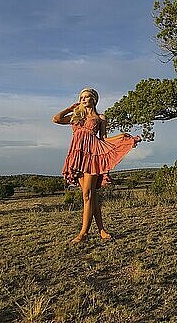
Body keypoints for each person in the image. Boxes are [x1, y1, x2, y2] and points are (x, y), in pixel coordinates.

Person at [52, 87, 141, 243]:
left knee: (88, 195)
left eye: (87, 97)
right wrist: (71, 108)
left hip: (92, 156)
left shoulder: (100, 117)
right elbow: (56, 119)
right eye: (82, 97)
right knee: (91, 197)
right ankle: (102, 230)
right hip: (78, 155)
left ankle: (83, 233)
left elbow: (104, 139)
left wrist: (123, 137)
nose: (84, 99)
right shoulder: (76, 116)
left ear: (94, 99)